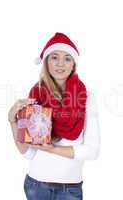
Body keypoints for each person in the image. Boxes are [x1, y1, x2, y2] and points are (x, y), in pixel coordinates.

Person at [8, 32, 101, 200]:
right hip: (36, 185)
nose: (60, 64)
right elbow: (27, 152)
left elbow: (92, 151)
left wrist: (53, 149)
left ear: (73, 64)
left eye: (67, 58)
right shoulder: (35, 95)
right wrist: (12, 120)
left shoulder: (86, 97)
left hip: (70, 189)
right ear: (46, 62)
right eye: (54, 57)